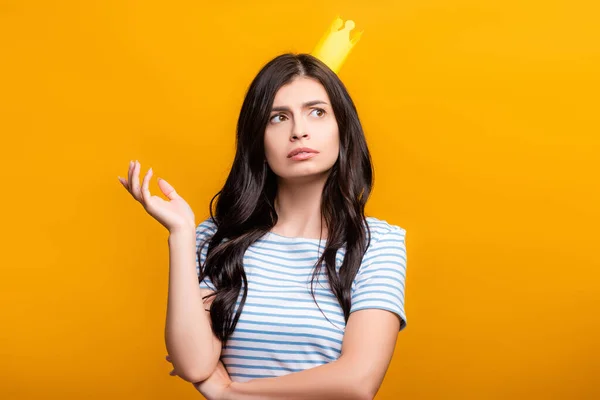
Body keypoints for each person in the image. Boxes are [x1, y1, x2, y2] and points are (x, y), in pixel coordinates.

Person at [119, 53, 408, 400]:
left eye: (317, 112)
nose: (299, 130)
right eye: (278, 117)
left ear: (342, 129)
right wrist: (180, 234)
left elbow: (357, 382)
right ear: (258, 140)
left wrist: (228, 394)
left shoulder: (378, 243)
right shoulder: (218, 238)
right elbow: (194, 363)